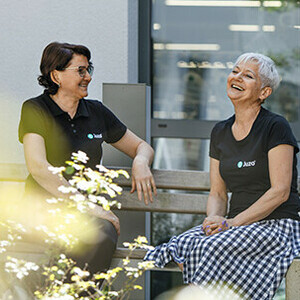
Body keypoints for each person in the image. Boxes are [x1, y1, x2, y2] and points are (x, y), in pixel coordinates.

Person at [145, 53, 300, 300]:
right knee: (183, 245)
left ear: (264, 93)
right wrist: (214, 219)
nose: (237, 77)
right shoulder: (220, 132)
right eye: (235, 71)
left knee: (208, 247)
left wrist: (232, 223)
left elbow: (280, 191)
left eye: (248, 76)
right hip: (235, 226)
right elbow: (217, 192)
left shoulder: (275, 127)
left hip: (276, 225)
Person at [18, 42, 157, 274]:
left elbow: (142, 146)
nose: (88, 77)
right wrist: (88, 207)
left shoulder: (96, 112)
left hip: (86, 216)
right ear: (56, 75)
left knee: (104, 232)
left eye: (88, 69)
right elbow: (39, 167)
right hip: (43, 210)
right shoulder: (35, 109)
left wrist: (141, 161)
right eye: (80, 71)